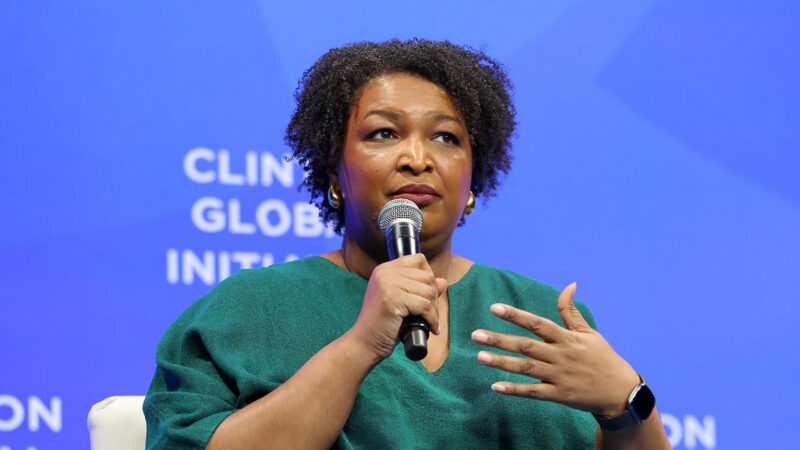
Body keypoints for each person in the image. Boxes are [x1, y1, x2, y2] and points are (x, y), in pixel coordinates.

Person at [144, 39, 670, 449]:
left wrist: (626, 402)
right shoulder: (248, 308)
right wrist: (360, 345)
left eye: (446, 138)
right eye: (383, 134)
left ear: (473, 181)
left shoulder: (542, 314)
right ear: (334, 173)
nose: (417, 158)